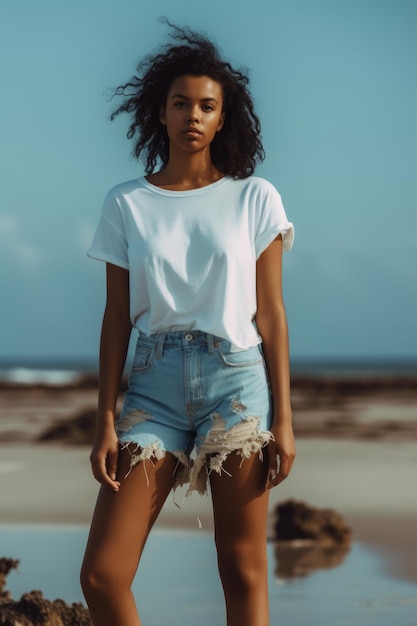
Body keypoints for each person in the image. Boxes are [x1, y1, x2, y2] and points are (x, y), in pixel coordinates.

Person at [80, 22, 295, 626]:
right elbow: (116, 318)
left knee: (242, 570)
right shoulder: (126, 203)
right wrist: (103, 419)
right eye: (181, 104)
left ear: (224, 118)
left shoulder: (256, 198)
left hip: (237, 383)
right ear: (161, 111)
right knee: (102, 575)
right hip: (152, 388)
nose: (192, 117)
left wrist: (285, 416)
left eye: (207, 106)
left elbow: (271, 312)